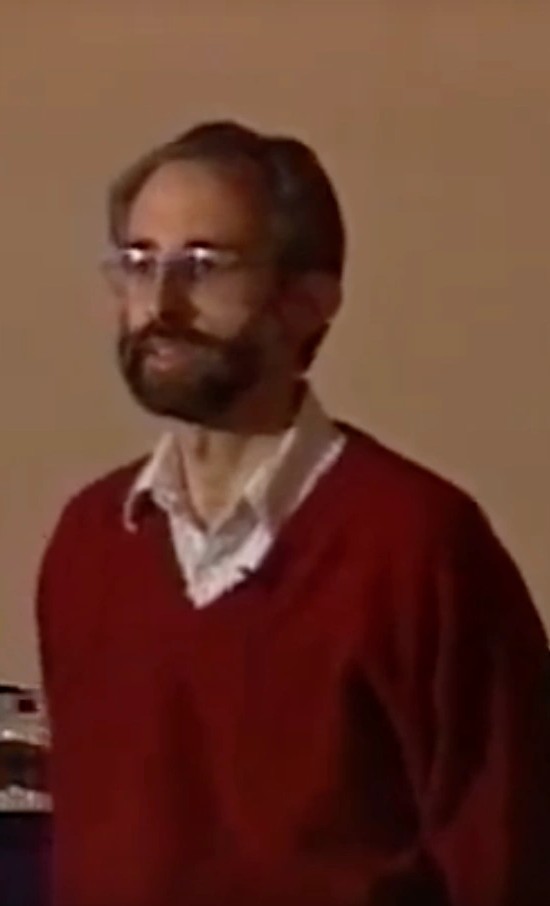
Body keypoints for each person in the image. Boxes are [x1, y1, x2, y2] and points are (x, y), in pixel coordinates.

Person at [34, 120, 550, 906]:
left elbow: (505, 855)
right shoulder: (91, 540)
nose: (159, 302)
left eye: (201, 266)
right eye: (139, 264)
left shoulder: (417, 544)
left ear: (306, 302)